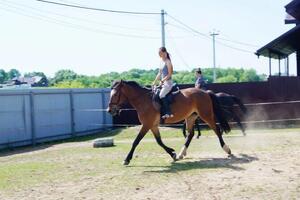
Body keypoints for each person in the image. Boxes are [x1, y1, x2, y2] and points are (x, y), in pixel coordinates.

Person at [152, 47, 174, 119]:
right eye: (159, 53)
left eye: (160, 53)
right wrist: (154, 82)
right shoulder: (161, 61)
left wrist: (162, 80)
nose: (159, 55)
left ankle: (168, 112)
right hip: (163, 82)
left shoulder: (168, 62)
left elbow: (170, 74)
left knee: (161, 95)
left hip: (168, 82)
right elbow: (159, 73)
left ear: (164, 53)